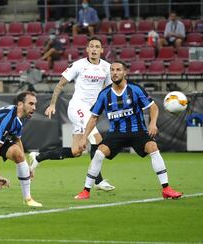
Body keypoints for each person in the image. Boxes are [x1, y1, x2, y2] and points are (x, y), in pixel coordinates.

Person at [74, 61, 183, 200]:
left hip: (138, 131)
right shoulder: (104, 94)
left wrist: (153, 123)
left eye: (118, 70)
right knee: (99, 153)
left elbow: (153, 107)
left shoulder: (135, 89)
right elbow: (94, 117)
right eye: (112, 70)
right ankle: (86, 191)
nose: (115, 72)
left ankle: (166, 189)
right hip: (116, 133)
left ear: (124, 72)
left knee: (153, 147)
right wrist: (84, 137)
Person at [29, 36, 115, 192]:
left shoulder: (107, 67)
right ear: (87, 49)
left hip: (91, 111)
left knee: (76, 151)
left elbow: (111, 90)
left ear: (102, 50)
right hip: (77, 107)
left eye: (97, 46)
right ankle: (98, 180)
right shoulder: (78, 65)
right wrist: (53, 104)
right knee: (97, 139)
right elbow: (60, 84)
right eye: (91, 46)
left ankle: (39, 157)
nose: (94, 49)